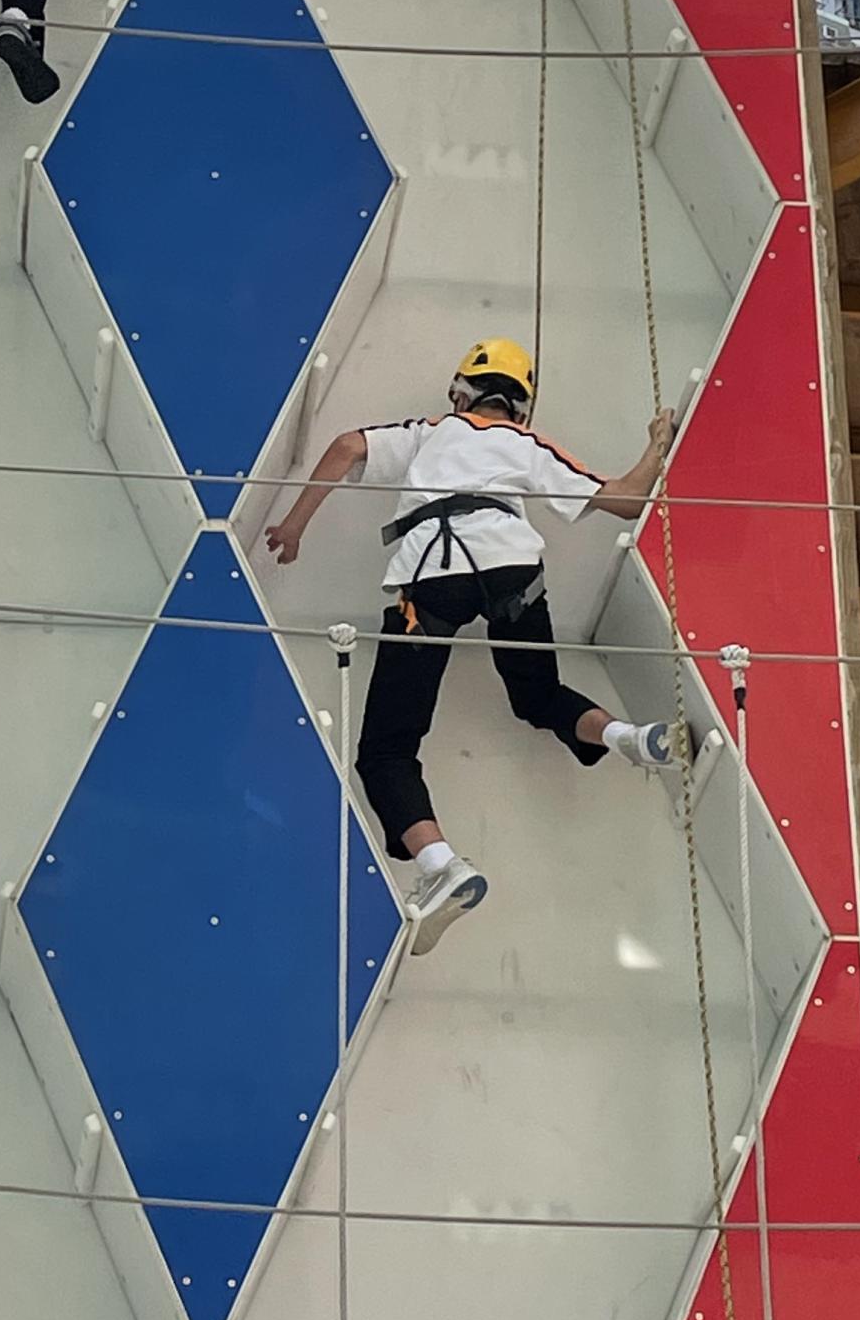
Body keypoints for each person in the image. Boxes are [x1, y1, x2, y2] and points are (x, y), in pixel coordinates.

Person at [265, 339, 679, 951]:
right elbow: (624, 499)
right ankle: (628, 737)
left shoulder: (432, 431)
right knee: (537, 694)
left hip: (434, 573)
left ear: (461, 391)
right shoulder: (527, 443)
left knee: (386, 747)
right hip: (514, 568)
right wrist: (657, 445)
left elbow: (348, 446)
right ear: (521, 406)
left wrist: (295, 524)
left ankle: (442, 866)